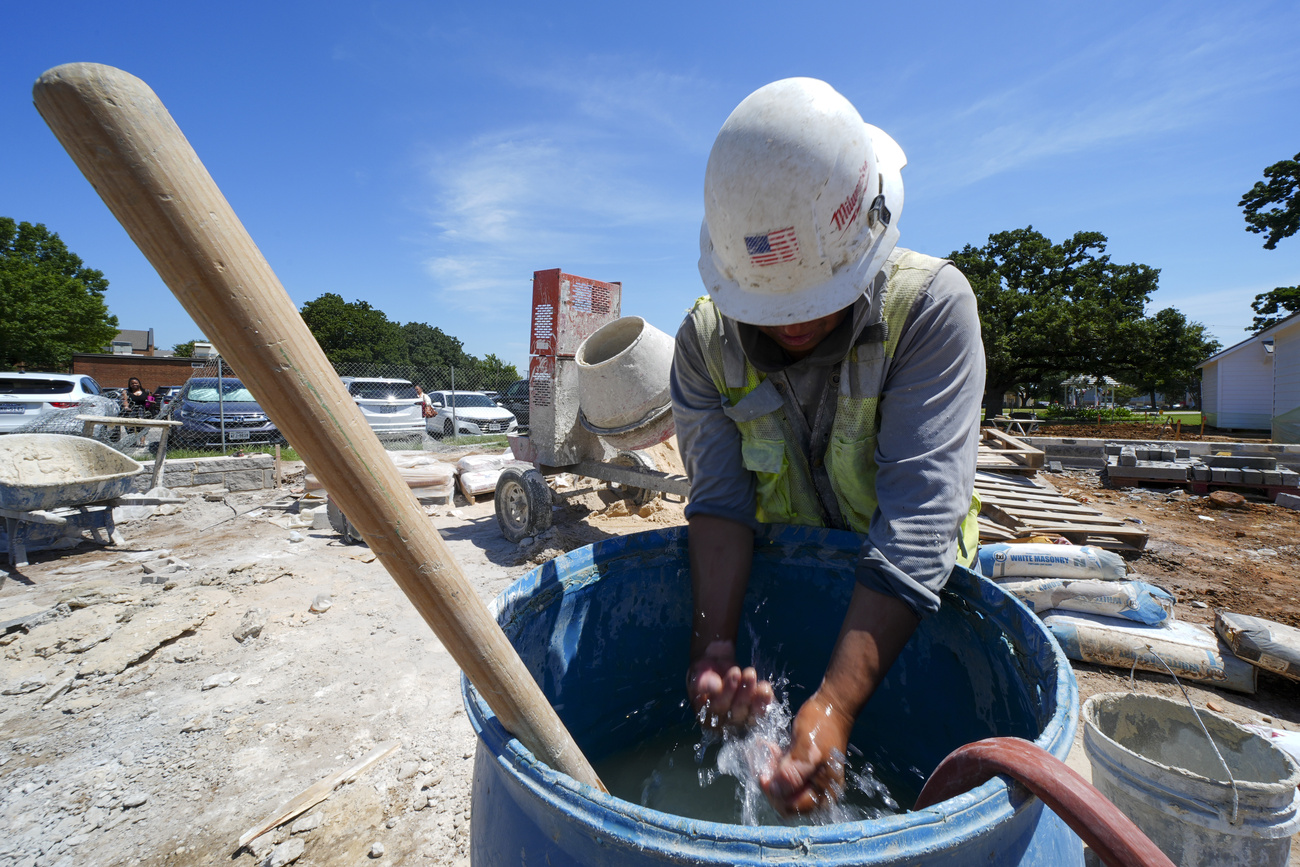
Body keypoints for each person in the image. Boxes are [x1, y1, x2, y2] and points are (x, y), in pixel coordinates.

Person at [670, 78, 985, 816]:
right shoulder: (706, 343)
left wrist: (837, 703)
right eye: (770, 310)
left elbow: (918, 520)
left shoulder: (929, 310)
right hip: (796, 581)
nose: (793, 327)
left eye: (813, 302)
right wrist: (712, 649)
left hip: (918, 604)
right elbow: (719, 501)